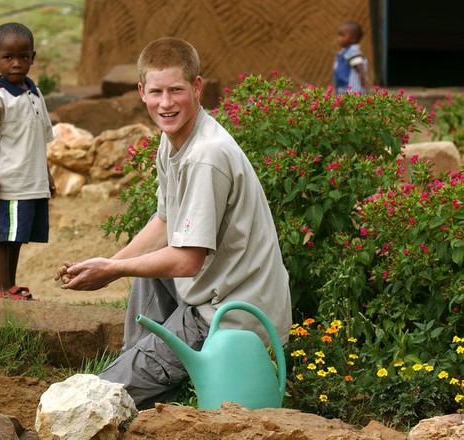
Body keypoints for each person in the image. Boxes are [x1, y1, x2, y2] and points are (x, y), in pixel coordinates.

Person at [55, 37, 292, 409]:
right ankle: (142, 360)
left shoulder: (206, 156)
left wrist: (112, 271)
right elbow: (165, 221)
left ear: (197, 87)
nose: (166, 103)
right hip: (210, 290)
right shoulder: (173, 139)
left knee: (95, 400)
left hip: (231, 316)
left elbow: (186, 261)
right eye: (156, 92)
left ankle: (139, 375)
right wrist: (109, 263)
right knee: (144, 256)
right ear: (141, 92)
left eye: (176, 90)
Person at [0, 22, 56, 300]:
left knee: (18, 236)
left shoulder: (35, 93)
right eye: (8, 57)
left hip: (31, 181)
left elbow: (39, 140)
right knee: (2, 237)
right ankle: (1, 289)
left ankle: (10, 285)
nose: (17, 63)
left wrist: (47, 175)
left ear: (33, 57)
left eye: (24, 57)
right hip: (6, 181)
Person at [333, 21, 370, 94]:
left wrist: (363, 77)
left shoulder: (352, 51)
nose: (338, 38)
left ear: (353, 38)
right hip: (343, 86)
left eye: (342, 35)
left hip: (351, 89)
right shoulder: (345, 51)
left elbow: (358, 63)